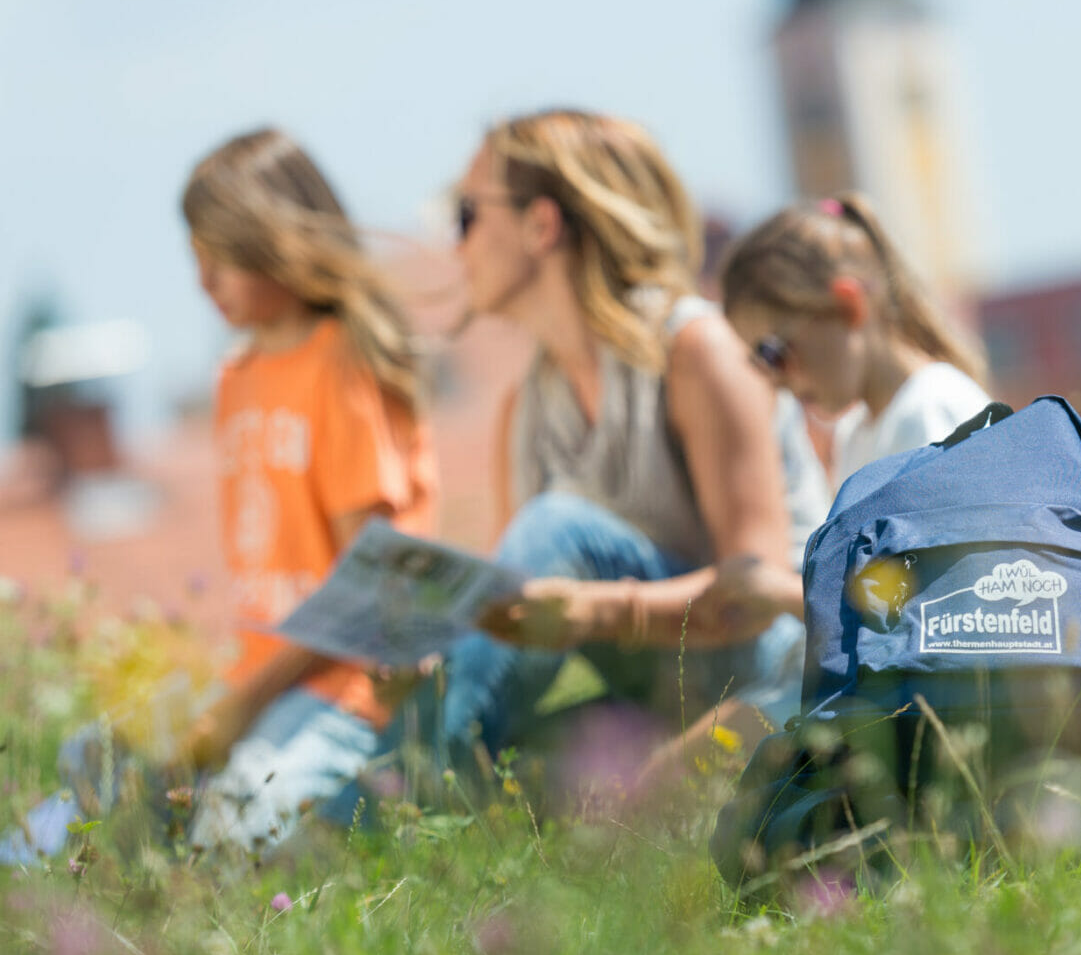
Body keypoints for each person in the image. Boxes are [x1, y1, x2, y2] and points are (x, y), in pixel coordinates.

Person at [432, 108, 810, 776]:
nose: (454, 244)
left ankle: (424, 791)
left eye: (466, 214)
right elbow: (519, 636)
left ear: (541, 225)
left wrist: (599, 610)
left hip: (769, 674)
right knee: (527, 765)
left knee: (552, 530)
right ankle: (408, 792)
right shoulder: (525, 408)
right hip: (652, 695)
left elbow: (759, 593)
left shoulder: (697, 351)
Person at [178, 127, 437, 851]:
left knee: (230, 832)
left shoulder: (342, 365)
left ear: (275, 241)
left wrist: (240, 707)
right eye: (193, 258)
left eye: (218, 256)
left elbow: (371, 578)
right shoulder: (235, 379)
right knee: (95, 768)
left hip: (346, 690)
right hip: (261, 683)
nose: (203, 283)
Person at [685, 191, 992, 637]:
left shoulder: (930, 408)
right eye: (758, 363)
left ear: (849, 306)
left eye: (774, 352)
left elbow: (937, 600)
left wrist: (778, 590)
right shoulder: (858, 433)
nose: (774, 379)